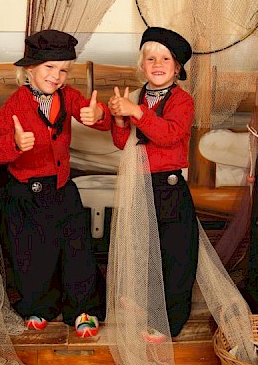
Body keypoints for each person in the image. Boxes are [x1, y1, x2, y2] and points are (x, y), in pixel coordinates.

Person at [0, 29, 110, 336]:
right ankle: (37, 306)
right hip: (25, 195)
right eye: (49, 67)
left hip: (61, 188)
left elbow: (95, 116)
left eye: (63, 69)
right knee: (31, 256)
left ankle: (83, 308)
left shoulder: (69, 96)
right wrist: (13, 144)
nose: (57, 75)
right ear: (30, 68)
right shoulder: (16, 104)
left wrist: (98, 113)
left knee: (77, 251)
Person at [107, 27, 198, 342]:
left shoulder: (183, 101)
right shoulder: (137, 97)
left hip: (168, 188)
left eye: (165, 59)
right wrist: (120, 119)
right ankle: (146, 302)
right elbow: (124, 143)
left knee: (174, 254)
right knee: (143, 247)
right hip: (139, 183)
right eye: (150, 58)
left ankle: (169, 320)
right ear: (142, 64)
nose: (157, 64)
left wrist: (135, 112)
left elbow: (168, 134)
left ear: (177, 68)